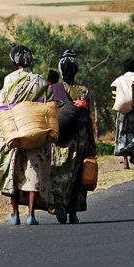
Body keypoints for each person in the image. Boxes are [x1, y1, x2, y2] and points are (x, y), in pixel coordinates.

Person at [0, 43, 52, 226]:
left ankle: (15, 214)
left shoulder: (9, 80)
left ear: (13, 62)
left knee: (12, 170)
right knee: (33, 171)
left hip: (14, 133)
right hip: (35, 132)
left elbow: (1, 104)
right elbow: (49, 102)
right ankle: (31, 215)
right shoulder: (40, 80)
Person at [47, 50, 96, 224]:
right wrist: (93, 143)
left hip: (58, 138)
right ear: (76, 69)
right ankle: (73, 212)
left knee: (59, 170)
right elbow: (87, 119)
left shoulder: (53, 90)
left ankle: (58, 199)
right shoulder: (83, 91)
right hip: (79, 138)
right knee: (77, 174)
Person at [111, 58, 134, 169]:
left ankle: (125, 162)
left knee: (122, 134)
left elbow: (114, 95)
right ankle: (133, 156)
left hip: (122, 111)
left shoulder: (118, 79)